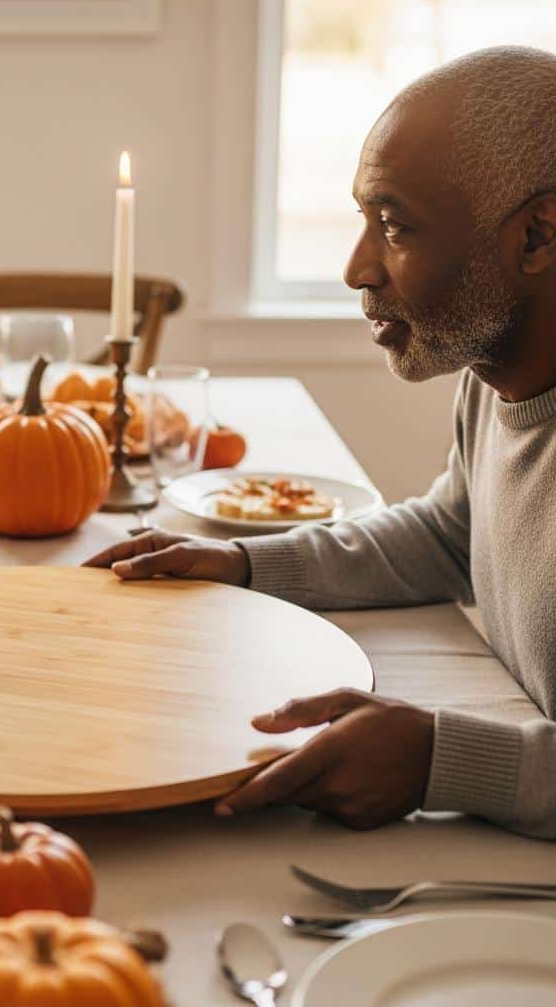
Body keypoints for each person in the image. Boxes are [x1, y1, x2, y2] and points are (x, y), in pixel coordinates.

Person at [87, 45, 556, 839]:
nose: (355, 268)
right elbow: (452, 532)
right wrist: (245, 564)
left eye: (394, 225)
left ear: (538, 235)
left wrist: (441, 759)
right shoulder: (494, 377)